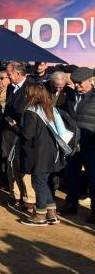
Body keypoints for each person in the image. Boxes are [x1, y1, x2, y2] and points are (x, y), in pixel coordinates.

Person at [19, 83, 66, 226]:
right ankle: (51, 214)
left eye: (27, 92)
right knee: (44, 182)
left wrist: (15, 126)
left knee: (38, 183)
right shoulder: (48, 108)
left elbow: (27, 134)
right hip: (51, 151)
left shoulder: (31, 111)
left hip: (38, 153)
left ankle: (40, 216)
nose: (25, 95)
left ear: (32, 95)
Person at [60, 67, 95, 223]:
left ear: (90, 81)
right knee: (71, 175)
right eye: (74, 83)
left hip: (92, 145)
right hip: (73, 144)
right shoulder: (71, 95)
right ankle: (71, 203)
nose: (77, 86)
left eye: (80, 83)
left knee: (93, 178)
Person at [3, 61, 35, 209]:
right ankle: (15, 196)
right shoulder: (10, 87)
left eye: (9, 74)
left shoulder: (31, 88)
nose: (7, 77)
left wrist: (17, 124)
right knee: (10, 165)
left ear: (17, 73)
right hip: (9, 132)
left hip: (23, 133)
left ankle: (29, 198)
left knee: (24, 166)